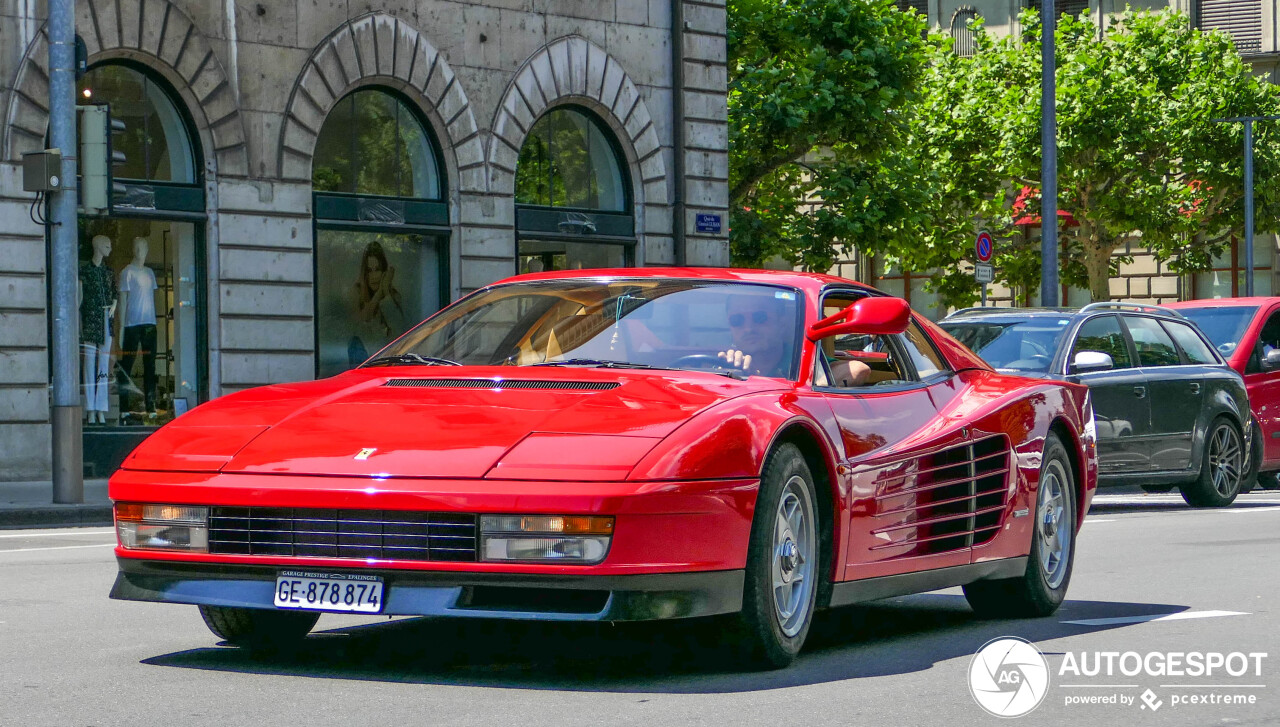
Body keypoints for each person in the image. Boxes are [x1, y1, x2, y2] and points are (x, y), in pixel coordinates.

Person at [717, 293, 871, 385]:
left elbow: (859, 370)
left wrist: (809, 388)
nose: (748, 328)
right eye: (737, 320)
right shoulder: (721, 363)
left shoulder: (803, 359)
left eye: (760, 317)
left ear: (781, 322)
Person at [348, 241, 406, 366]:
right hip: (362, 360)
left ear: (384, 272)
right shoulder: (357, 292)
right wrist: (380, 293)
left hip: (388, 363)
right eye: (369, 270)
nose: (374, 275)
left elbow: (399, 332)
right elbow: (363, 319)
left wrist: (386, 294)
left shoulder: (393, 296)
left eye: (377, 270)